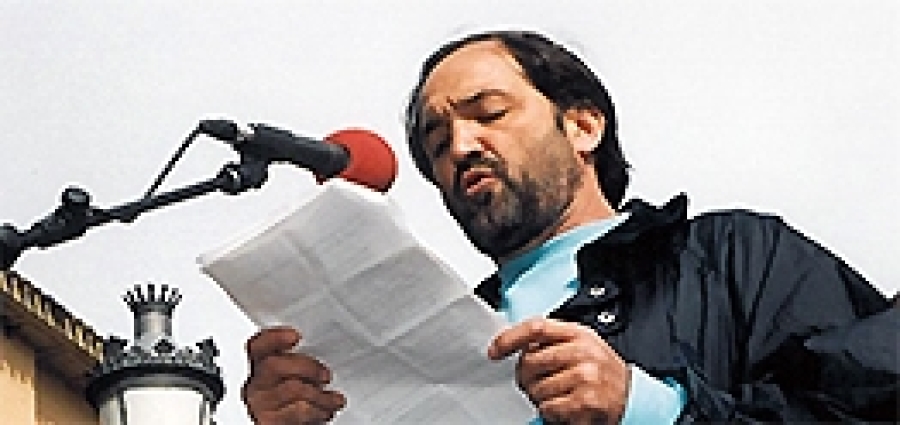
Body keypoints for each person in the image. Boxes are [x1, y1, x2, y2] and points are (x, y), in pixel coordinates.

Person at [241, 30, 899, 424]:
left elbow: (871, 404)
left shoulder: (732, 256)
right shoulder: (427, 339)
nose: (461, 146)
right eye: (437, 143)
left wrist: (653, 409)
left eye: (488, 113)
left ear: (583, 126)